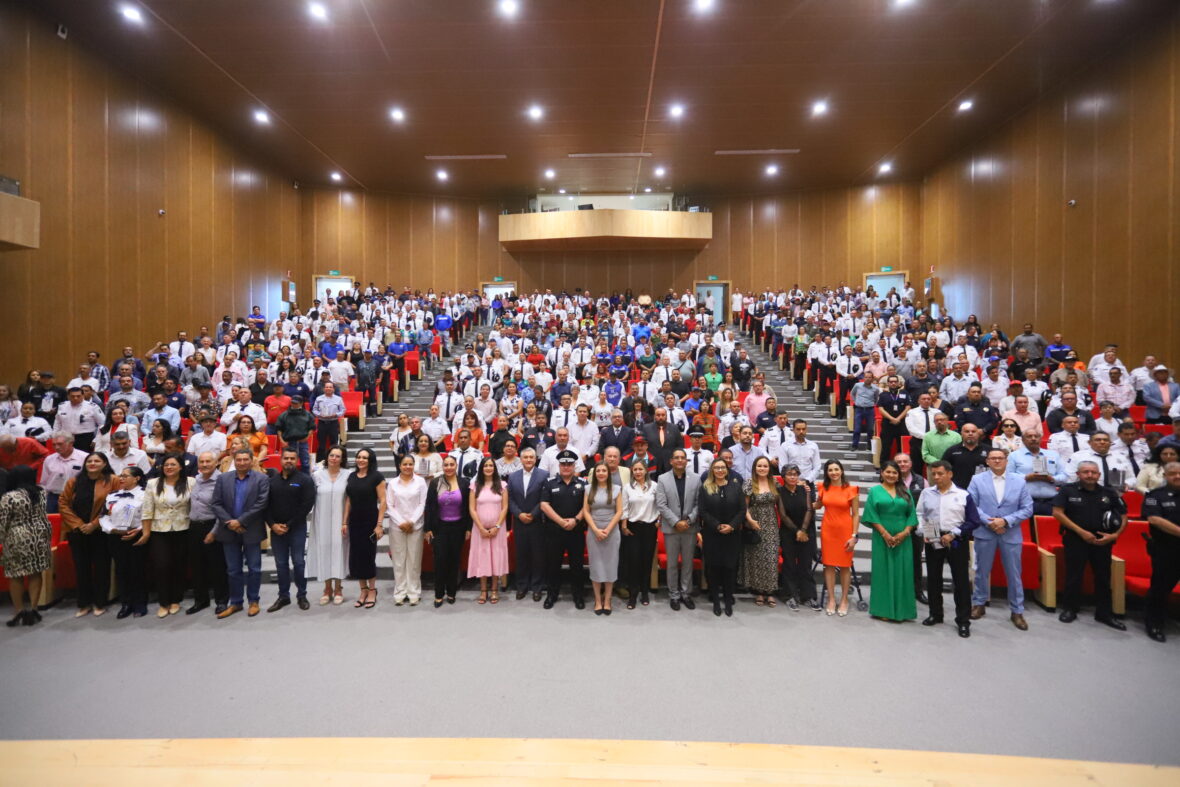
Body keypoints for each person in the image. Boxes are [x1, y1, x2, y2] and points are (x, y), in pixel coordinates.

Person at [1052, 460, 1127, 630]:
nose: (1090, 475)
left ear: (1099, 475)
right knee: (1074, 575)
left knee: (1103, 577)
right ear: (1078, 474)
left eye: (1093, 472)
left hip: (1102, 540)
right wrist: (1081, 532)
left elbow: (1123, 516)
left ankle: (1104, 613)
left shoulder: (1109, 492)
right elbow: (1057, 513)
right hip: (1075, 539)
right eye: (1085, 472)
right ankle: (1070, 609)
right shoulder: (1067, 490)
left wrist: (1115, 535)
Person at [968, 448, 1035, 631]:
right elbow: (971, 505)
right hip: (985, 531)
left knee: (1014, 573)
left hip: (1010, 532)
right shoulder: (977, 480)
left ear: (1006, 460)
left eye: (1000, 458)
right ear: (987, 461)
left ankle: (1017, 610)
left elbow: (1027, 508)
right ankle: (979, 604)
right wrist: (989, 522)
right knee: (982, 570)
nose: (997, 461)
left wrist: (1006, 520)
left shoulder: (1019, 481)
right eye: (993, 458)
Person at [916, 461, 984, 637]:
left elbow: (973, 521)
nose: (936, 477)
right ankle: (935, 614)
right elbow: (919, 514)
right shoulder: (926, 493)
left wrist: (954, 534)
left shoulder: (963, 495)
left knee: (960, 582)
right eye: (934, 474)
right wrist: (922, 531)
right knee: (933, 579)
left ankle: (963, 620)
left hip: (956, 540)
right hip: (933, 538)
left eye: (940, 473)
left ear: (950, 474)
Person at [211, 448, 271, 619]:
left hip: (251, 528)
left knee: (254, 568)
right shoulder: (223, 479)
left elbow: (261, 503)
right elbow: (216, 503)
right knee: (233, 569)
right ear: (234, 461)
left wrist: (241, 521)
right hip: (228, 530)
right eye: (239, 460)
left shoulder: (262, 479)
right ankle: (236, 602)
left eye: (246, 459)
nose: (242, 462)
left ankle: (253, 601)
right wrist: (231, 522)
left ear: (252, 461)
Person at [58, 452, 116, 616]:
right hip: (77, 531)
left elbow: (114, 504)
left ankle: (100, 603)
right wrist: (79, 524)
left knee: (101, 567)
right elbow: (63, 504)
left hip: (101, 531)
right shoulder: (74, 482)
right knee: (81, 568)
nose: (92, 463)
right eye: (89, 461)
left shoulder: (113, 480)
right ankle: (84, 604)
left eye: (97, 461)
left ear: (104, 464)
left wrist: (94, 524)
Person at [862, 460, 919, 622]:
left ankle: (903, 610)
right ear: (882, 473)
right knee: (883, 572)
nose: (891, 475)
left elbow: (912, 515)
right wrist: (885, 534)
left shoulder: (905, 491)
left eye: (894, 472)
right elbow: (871, 514)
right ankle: (883, 610)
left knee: (903, 572)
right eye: (888, 472)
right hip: (882, 537)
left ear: (899, 475)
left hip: (903, 537)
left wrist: (905, 532)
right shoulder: (875, 491)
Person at [140, 454, 192, 618]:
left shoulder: (191, 482)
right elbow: (147, 509)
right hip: (159, 531)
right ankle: (164, 602)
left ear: (180, 467)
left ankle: (176, 599)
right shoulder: (152, 483)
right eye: (166, 465)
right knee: (161, 566)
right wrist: (146, 532)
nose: (169, 467)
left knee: (178, 565)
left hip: (183, 529)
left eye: (173, 464)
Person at [0, 466, 53, 627]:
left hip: (17, 536)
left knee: (16, 575)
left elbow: (3, 522)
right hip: (40, 534)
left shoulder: (9, 497)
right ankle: (34, 609)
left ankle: (19, 611)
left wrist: (2, 539)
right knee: (36, 572)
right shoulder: (41, 493)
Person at [265, 448, 315, 612]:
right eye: (286, 458)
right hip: (276, 529)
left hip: (297, 528)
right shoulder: (271, 481)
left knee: (299, 563)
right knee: (280, 564)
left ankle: (302, 595)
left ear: (297, 460)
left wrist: (289, 524)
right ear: (281, 460)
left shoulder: (305, 480)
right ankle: (283, 596)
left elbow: (306, 505)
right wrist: (272, 524)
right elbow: (265, 506)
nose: (289, 461)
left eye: (292, 458)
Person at [539, 450, 589, 609]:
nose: (566, 467)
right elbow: (544, 505)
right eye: (563, 464)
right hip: (554, 531)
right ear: (559, 466)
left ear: (575, 466)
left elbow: (587, 506)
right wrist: (561, 521)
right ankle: (551, 595)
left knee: (577, 565)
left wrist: (575, 520)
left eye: (569, 464)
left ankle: (578, 596)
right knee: (553, 565)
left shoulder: (583, 483)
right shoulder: (549, 482)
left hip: (576, 530)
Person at [655, 448, 702, 611]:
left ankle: (686, 593)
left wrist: (689, 520)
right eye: (677, 458)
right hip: (671, 528)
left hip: (690, 527)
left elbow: (699, 502)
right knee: (672, 563)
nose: (680, 460)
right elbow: (661, 504)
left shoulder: (696, 479)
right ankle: (674, 594)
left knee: (688, 563)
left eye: (683, 458)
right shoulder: (662, 478)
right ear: (671, 461)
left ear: (686, 461)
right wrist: (676, 522)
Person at [700, 458, 746, 617]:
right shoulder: (706, 487)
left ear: (727, 470)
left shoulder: (735, 486)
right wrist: (718, 525)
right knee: (713, 567)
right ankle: (716, 601)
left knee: (729, 567)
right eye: (716, 468)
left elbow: (742, 510)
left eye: (722, 468)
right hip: (712, 534)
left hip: (732, 534)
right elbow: (703, 511)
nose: (719, 470)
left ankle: (728, 599)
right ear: (712, 470)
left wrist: (731, 525)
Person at [424, 455, 471, 607]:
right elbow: (429, 507)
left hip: (458, 527)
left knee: (454, 561)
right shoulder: (436, 483)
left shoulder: (464, 483)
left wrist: (468, 528)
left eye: (452, 464)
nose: (449, 467)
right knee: (440, 561)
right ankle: (438, 594)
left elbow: (468, 508)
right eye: (446, 465)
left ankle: (451, 592)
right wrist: (428, 528)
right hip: (440, 528)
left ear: (456, 466)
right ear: (442, 467)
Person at [102, 466, 149, 618]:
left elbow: (150, 516)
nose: (121, 478)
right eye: (120, 475)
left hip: (137, 535)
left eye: (125, 476)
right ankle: (126, 603)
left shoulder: (145, 495)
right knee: (121, 570)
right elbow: (103, 516)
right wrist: (111, 529)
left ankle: (140, 603)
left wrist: (140, 529)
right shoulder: (112, 495)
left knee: (138, 570)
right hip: (116, 537)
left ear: (137, 478)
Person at [814, 459, 859, 616]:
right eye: (830, 470)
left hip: (845, 532)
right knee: (829, 565)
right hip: (828, 531)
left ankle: (844, 599)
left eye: (836, 469)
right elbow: (817, 506)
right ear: (827, 472)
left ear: (841, 470)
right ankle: (832, 599)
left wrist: (854, 536)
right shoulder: (822, 488)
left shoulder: (851, 489)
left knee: (845, 566)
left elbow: (855, 515)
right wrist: (801, 492)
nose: (833, 472)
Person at [344, 447, 386, 609]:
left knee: (368, 557)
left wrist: (379, 524)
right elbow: (348, 501)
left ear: (370, 461)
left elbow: (383, 501)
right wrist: (344, 522)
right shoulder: (352, 476)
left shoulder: (376, 477)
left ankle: (373, 590)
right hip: (355, 521)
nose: (361, 460)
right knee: (356, 557)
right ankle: (363, 590)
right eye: (359, 457)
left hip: (370, 521)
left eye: (365, 458)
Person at [1143, 462, 1180, 642]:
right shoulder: (1156, 495)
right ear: (1165, 476)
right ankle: (1154, 623)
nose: (1177, 476)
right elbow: (1155, 519)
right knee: (1160, 589)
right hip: (1168, 549)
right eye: (1172, 473)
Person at [187, 451, 228, 615]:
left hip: (213, 526)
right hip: (194, 526)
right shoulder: (195, 480)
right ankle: (201, 600)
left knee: (217, 567)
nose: (204, 465)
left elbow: (224, 510)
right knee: (197, 566)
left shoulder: (222, 481)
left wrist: (214, 532)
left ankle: (222, 600)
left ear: (216, 463)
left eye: (208, 462)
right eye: (201, 462)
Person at [385, 454, 428, 606]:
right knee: (398, 560)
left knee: (414, 560)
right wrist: (401, 522)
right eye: (405, 464)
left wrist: (411, 521)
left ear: (414, 465)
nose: (408, 467)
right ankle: (400, 591)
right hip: (397, 526)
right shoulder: (392, 483)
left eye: (410, 464)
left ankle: (414, 592)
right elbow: (389, 505)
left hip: (415, 526)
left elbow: (422, 504)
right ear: (399, 466)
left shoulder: (420, 482)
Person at [506, 447, 548, 601]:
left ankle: (537, 587)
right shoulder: (513, 476)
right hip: (519, 522)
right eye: (526, 457)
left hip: (537, 521)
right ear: (521, 459)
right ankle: (522, 586)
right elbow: (509, 499)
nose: (529, 460)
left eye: (531, 457)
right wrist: (519, 514)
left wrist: (533, 514)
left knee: (538, 556)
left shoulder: (544, 475)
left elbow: (544, 498)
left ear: (535, 459)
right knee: (521, 555)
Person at [309, 445, 349, 605]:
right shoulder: (317, 475)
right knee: (324, 549)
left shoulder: (348, 475)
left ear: (342, 459)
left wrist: (345, 521)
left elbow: (349, 499)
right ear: (327, 457)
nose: (334, 458)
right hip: (321, 519)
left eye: (338, 456)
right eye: (332, 455)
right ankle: (327, 588)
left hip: (341, 520)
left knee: (339, 550)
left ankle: (339, 588)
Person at [740, 456, 783, 606]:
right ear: (755, 468)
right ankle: (759, 592)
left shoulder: (775, 483)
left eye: (765, 466)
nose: (762, 468)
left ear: (769, 468)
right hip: (754, 523)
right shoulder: (749, 483)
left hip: (771, 525)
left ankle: (770, 592)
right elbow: (744, 506)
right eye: (759, 466)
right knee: (756, 559)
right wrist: (750, 520)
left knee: (771, 558)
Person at [583, 461, 623, 615]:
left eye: (603, 471)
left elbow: (619, 512)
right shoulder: (588, 489)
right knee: (596, 565)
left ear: (608, 473)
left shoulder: (617, 489)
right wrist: (596, 530)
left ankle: (607, 600)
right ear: (595, 474)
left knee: (610, 565)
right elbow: (586, 511)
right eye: (598, 471)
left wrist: (607, 529)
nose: (601, 473)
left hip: (611, 532)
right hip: (594, 532)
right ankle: (597, 601)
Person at [776, 464, 817, 610]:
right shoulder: (779, 491)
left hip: (806, 531)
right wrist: (797, 532)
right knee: (789, 564)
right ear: (783, 476)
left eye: (795, 474)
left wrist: (804, 530)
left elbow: (809, 509)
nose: (793, 477)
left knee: (806, 564)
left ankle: (809, 596)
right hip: (789, 531)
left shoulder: (805, 489)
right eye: (789, 474)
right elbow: (783, 515)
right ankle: (790, 595)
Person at [620, 460, 658, 609]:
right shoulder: (627, 487)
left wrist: (658, 520)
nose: (637, 472)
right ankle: (633, 594)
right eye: (635, 469)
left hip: (650, 527)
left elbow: (660, 504)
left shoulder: (654, 486)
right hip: (633, 528)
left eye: (640, 469)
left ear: (646, 470)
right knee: (633, 562)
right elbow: (624, 508)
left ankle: (644, 592)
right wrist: (624, 526)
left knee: (646, 561)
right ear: (632, 471)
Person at [1009, 429, 1068, 515]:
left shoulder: (1053, 455)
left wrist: (1052, 479)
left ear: (1040, 439)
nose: (1033, 439)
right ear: (1023, 440)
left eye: (1036, 436)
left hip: (1051, 501)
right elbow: (1008, 476)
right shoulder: (1014, 455)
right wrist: (1026, 477)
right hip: (1024, 502)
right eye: (1029, 436)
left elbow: (1064, 476)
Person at [274, 396, 315, 471]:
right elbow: (279, 429)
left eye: (296, 403)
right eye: (292, 403)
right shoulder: (284, 415)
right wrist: (282, 441)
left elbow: (312, 427)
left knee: (305, 463)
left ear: (301, 403)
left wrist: (307, 437)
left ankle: (305, 481)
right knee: (287, 463)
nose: (294, 404)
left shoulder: (307, 415)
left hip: (302, 442)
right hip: (288, 442)